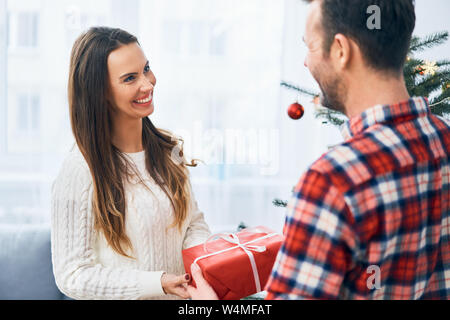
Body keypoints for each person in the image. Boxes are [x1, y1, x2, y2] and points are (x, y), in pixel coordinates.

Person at [188, 0, 449, 300]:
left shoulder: (331, 181)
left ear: (341, 50)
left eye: (310, 47)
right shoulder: (443, 139)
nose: (305, 62)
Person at [51, 27, 211, 300]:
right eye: (130, 78)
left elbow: (193, 224)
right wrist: (157, 283)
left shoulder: (167, 148)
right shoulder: (80, 168)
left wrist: (204, 267)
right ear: (100, 92)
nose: (148, 84)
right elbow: (73, 274)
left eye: (146, 69)